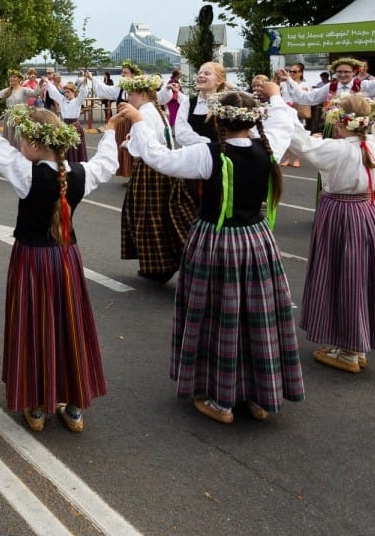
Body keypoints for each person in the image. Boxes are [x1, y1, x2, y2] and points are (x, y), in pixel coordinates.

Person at [0, 81, 119, 433]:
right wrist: (110, 131)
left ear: (34, 144)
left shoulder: (24, 172)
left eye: (21, 139)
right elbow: (107, 162)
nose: (17, 144)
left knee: (34, 325)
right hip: (67, 259)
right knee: (69, 324)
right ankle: (73, 402)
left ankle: (37, 402)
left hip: (32, 260)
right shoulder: (81, 173)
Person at [120, 84, 303, 422]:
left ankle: (222, 400)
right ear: (253, 119)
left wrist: (139, 122)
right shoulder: (269, 145)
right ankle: (258, 395)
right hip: (257, 239)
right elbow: (283, 122)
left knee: (220, 316)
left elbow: (161, 158)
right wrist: (275, 95)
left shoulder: (209, 153)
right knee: (256, 316)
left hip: (217, 240)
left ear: (217, 117)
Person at [285, 69, 375, 374]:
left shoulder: (336, 150)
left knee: (343, 277)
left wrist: (278, 104)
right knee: (360, 277)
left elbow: (300, 143)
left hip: (339, 215)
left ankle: (349, 351)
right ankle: (352, 343)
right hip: (367, 213)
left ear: (340, 122)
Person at [112, 73, 197, 284]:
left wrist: (128, 146)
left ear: (141, 94)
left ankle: (161, 266)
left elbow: (149, 145)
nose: (128, 97)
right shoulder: (154, 110)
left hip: (151, 171)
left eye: (131, 94)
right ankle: (160, 264)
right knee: (156, 216)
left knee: (147, 218)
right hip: (160, 168)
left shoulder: (145, 112)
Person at [91, 61, 143, 177]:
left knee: (134, 149)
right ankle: (128, 173)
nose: (123, 75)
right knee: (123, 149)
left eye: (125, 73)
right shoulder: (119, 89)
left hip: (134, 124)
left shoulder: (139, 90)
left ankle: (135, 175)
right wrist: (92, 78)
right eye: (122, 73)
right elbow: (104, 90)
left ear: (133, 75)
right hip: (122, 124)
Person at [43, 73, 92, 163]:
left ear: (74, 92)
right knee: (65, 147)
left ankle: (76, 163)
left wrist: (84, 83)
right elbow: (54, 92)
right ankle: (65, 164)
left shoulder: (77, 101)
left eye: (68, 92)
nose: (66, 94)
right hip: (65, 125)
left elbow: (83, 93)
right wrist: (47, 81)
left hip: (74, 127)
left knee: (75, 147)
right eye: (65, 92)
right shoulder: (62, 100)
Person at [0, 72, 39, 146]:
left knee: (20, 138)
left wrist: (41, 83)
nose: (12, 78)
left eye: (14, 77)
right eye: (11, 77)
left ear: (19, 79)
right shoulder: (7, 90)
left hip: (21, 117)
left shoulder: (24, 90)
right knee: (10, 138)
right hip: (9, 117)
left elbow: (35, 93)